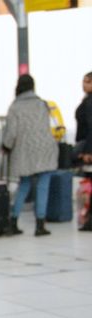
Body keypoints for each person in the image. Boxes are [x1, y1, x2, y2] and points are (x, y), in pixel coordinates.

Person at [3, 74, 58, 236]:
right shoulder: (42, 104)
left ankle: (13, 221)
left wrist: (6, 146)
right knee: (43, 186)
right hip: (45, 148)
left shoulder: (15, 107)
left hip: (25, 150)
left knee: (24, 185)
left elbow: (11, 132)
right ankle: (40, 225)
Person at [75, 71, 92, 231]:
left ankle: (89, 219)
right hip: (87, 146)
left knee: (89, 184)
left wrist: (87, 151)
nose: (84, 84)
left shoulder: (90, 102)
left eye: (88, 82)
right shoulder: (87, 100)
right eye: (84, 81)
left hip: (89, 149)